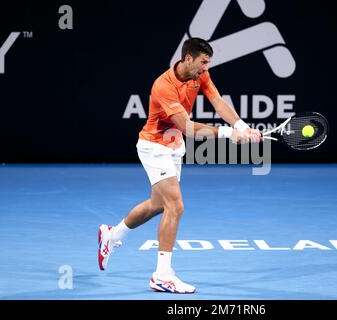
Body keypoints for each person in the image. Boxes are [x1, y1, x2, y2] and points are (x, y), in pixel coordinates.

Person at [98, 37, 261, 294]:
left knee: (157, 205)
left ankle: (113, 234)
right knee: (176, 205)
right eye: (203, 62)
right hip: (154, 147)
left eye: (208, 63)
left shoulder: (201, 75)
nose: (205, 68)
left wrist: (241, 126)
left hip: (174, 148)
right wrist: (229, 135)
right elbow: (186, 127)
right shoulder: (163, 86)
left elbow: (217, 101)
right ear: (188, 59)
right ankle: (162, 275)